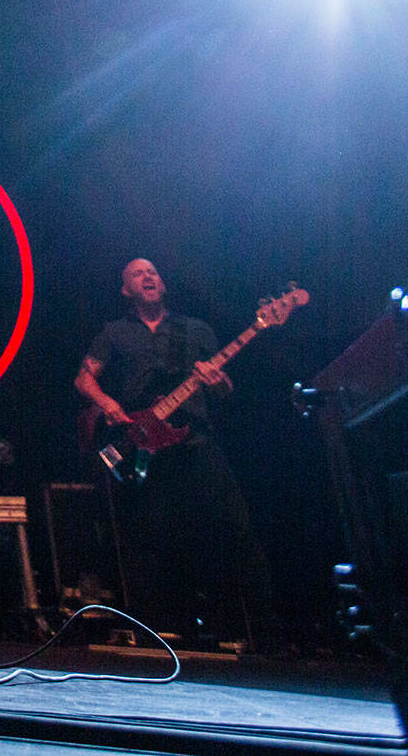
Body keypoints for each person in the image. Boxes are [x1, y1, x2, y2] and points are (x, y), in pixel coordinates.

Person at [74, 257, 275, 649]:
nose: (148, 276)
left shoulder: (196, 330)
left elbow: (226, 390)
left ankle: (244, 630)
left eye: (153, 272)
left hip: (195, 442)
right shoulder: (114, 333)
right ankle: (162, 627)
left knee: (229, 530)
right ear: (125, 290)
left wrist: (215, 381)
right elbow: (84, 378)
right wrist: (109, 404)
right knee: (152, 538)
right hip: (143, 444)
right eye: (137, 273)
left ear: (162, 284)